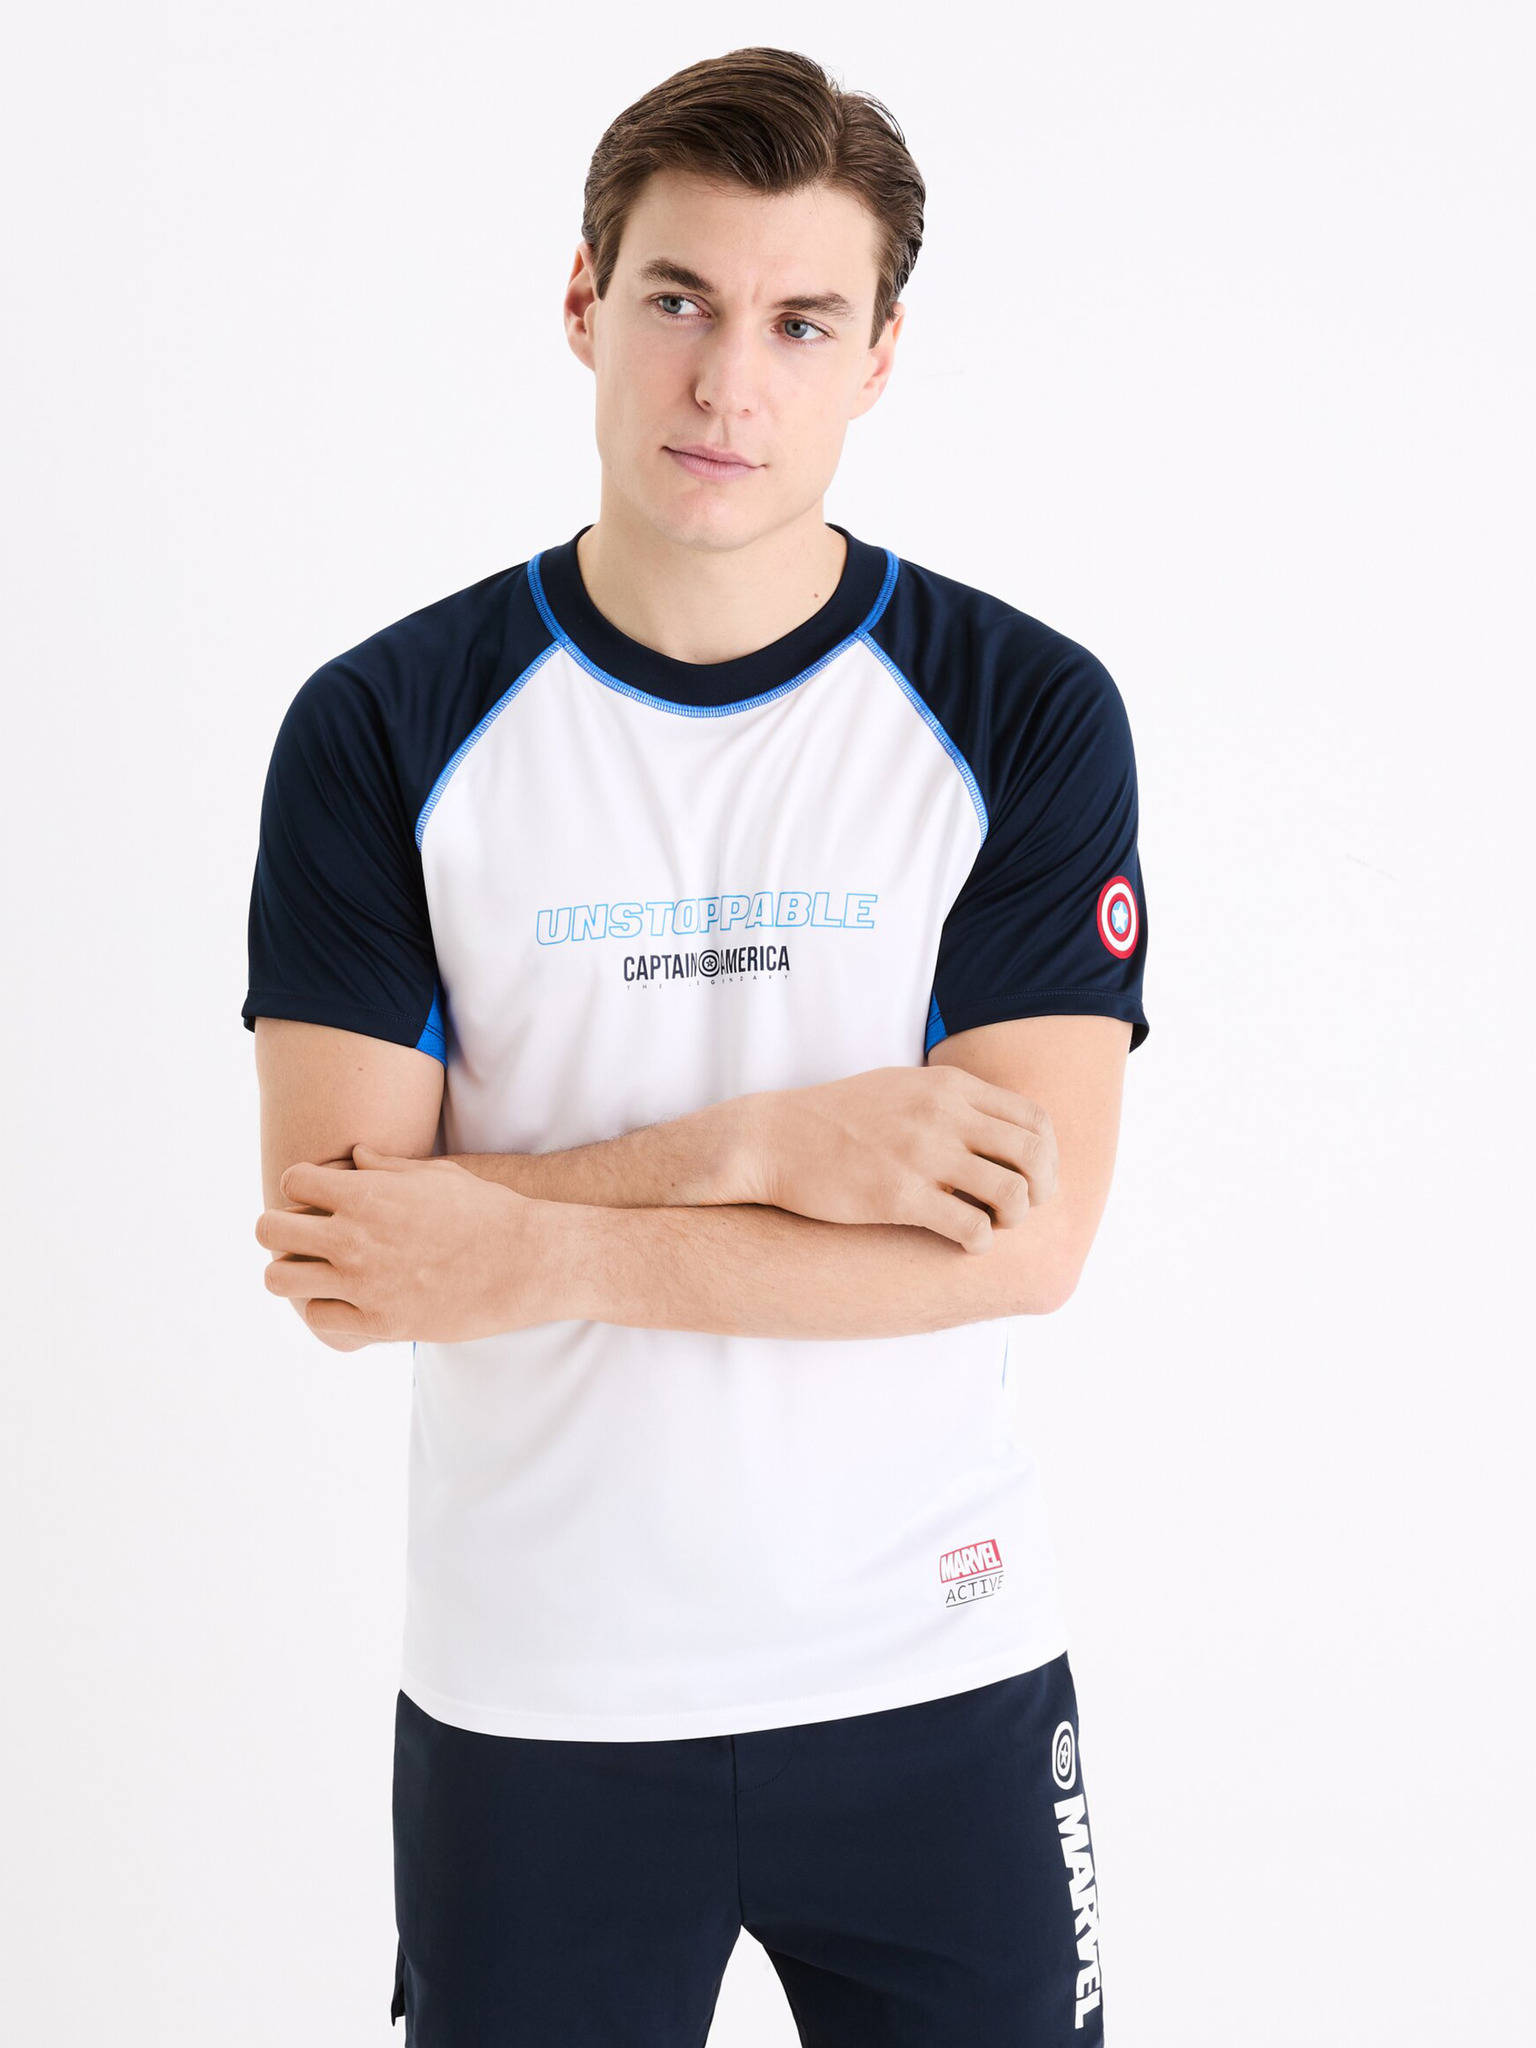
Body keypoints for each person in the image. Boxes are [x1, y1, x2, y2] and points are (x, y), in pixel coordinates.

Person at [244, 44, 1148, 2048]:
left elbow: (1028, 1241)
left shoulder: (1020, 712)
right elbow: (351, 1265)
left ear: (878, 356)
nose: (730, 382)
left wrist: (534, 1240)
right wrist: (772, 1148)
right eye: (679, 300)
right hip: (537, 1704)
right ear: (583, 303)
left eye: (800, 321)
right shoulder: (385, 727)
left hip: (936, 1678)